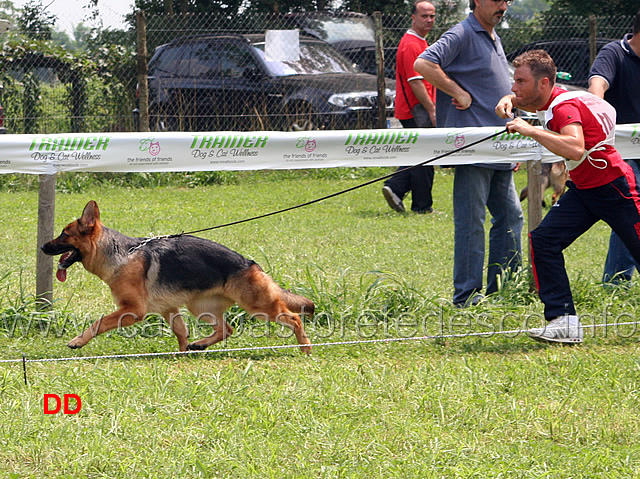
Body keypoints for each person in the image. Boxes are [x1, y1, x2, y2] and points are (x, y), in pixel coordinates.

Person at [495, 49, 640, 343]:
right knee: (545, 239)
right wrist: (511, 100)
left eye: (521, 81)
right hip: (585, 190)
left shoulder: (563, 107)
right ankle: (564, 320)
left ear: (544, 83)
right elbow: (531, 103)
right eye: (514, 81)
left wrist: (529, 130)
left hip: (613, 187)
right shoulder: (550, 99)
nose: (514, 87)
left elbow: (575, 147)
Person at [414, 0, 524, 307]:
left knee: (511, 217)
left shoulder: (492, 35)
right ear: (476, 1)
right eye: (496, 0)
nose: (503, 5)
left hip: (498, 147)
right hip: (472, 149)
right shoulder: (462, 32)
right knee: (472, 222)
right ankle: (467, 297)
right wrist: (457, 92)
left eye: (506, 0)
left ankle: (505, 289)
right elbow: (423, 64)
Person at [588, 9, 640, 285]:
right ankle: (617, 282)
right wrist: (599, 116)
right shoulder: (614, 53)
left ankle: (616, 281)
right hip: (623, 153)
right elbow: (597, 85)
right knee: (632, 211)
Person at [382, 0, 437, 214]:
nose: (429, 20)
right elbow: (416, 82)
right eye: (424, 16)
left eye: (432, 16)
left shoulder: (420, 42)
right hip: (415, 109)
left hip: (415, 108)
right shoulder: (411, 44)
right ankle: (420, 204)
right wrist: (431, 109)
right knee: (425, 156)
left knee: (421, 153)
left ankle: (396, 188)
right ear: (413, 17)